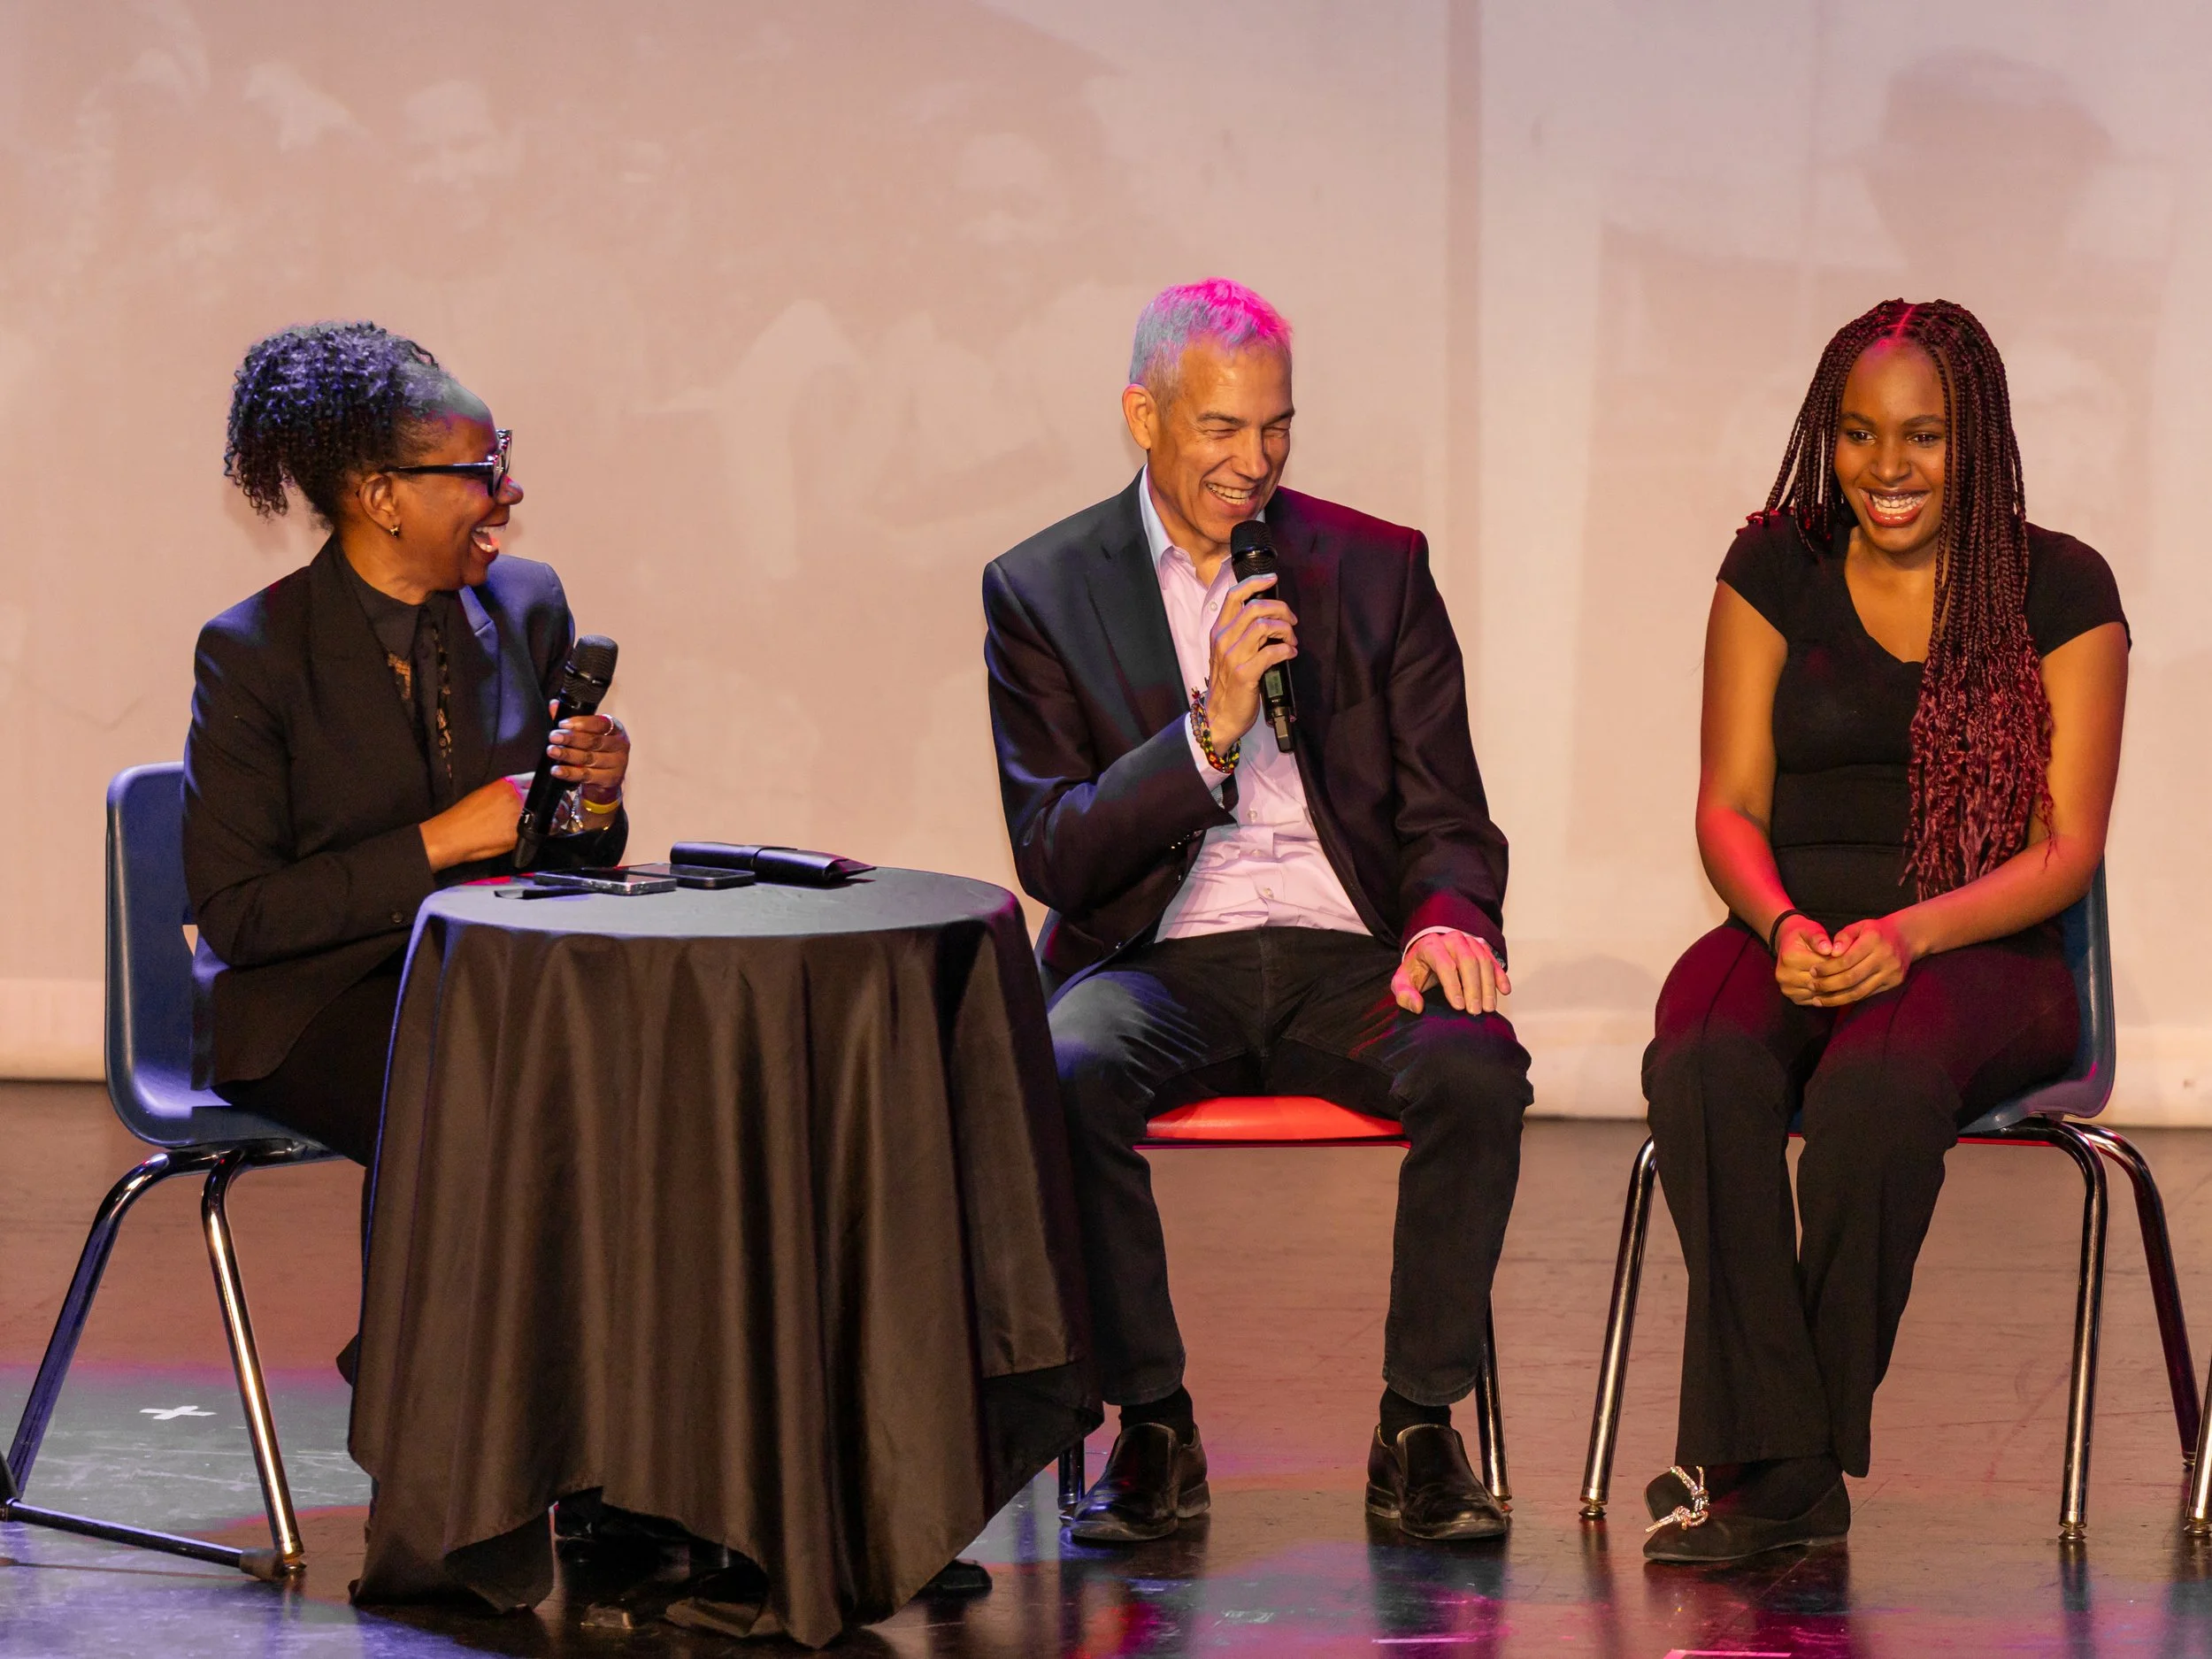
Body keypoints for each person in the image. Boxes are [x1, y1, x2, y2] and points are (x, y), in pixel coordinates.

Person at [983, 280, 1532, 1544]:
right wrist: (1205, 732)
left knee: (1478, 1070)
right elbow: (1055, 851)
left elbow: (1450, 811)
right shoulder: (1042, 587)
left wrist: (1452, 918)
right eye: (1222, 429)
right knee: (1068, 1066)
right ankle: (1154, 1423)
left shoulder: (1379, 567)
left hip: (1353, 955)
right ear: (1143, 414)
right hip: (1163, 952)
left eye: (1276, 426)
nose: (1256, 460)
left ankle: (1420, 1425)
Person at [1640, 299, 2128, 1563]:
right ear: (1828, 437)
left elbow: (2067, 848)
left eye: (1923, 436)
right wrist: (1783, 916)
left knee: (1877, 1086)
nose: (1888, 467)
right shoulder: (1772, 566)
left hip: (1982, 943)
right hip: (1797, 916)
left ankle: (1771, 1461)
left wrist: (1910, 933)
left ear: (1979, 442)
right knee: (1699, 1049)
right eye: (1859, 435)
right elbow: (1728, 800)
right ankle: (1789, 1464)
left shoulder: (2061, 586)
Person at [184, 321, 632, 1176]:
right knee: (470, 1088)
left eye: (501, 458)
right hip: (314, 1000)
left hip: (487, 978)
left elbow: (563, 857)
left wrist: (594, 798)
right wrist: (443, 840)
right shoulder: (254, 650)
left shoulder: (526, 604)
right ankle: (423, 1319)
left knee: (645, 1059)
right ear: (382, 498)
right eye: (480, 471)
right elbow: (240, 915)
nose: (509, 491)